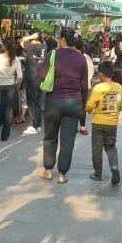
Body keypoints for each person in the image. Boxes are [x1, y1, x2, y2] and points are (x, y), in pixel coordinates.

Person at [38, 27, 89, 184]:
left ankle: (48, 170)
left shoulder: (52, 54)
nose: (58, 40)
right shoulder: (81, 58)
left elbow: (42, 76)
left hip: (53, 101)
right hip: (73, 102)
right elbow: (84, 85)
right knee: (68, 141)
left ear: (63, 39)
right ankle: (62, 174)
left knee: (50, 136)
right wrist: (84, 102)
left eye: (59, 38)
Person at [86, 59, 122, 184]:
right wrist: (115, 111)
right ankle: (114, 169)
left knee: (97, 149)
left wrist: (88, 110)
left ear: (101, 74)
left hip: (98, 123)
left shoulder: (98, 88)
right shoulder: (119, 87)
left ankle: (97, 174)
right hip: (112, 124)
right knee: (111, 147)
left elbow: (90, 105)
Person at [0, 39, 23, 142]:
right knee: (8, 109)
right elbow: (20, 76)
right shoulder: (16, 59)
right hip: (10, 85)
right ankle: (5, 137)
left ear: (4, 46)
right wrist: (15, 82)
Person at [20, 31, 45, 135]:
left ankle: (32, 126)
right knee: (37, 102)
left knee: (31, 103)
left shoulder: (31, 47)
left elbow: (20, 41)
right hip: (40, 77)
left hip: (32, 77)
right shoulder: (44, 46)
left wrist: (31, 36)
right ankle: (38, 125)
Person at [74, 36, 94, 135]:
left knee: (82, 106)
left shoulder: (86, 57)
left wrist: (85, 81)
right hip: (73, 86)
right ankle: (74, 126)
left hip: (83, 85)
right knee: (74, 107)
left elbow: (90, 72)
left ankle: (82, 127)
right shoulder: (71, 56)